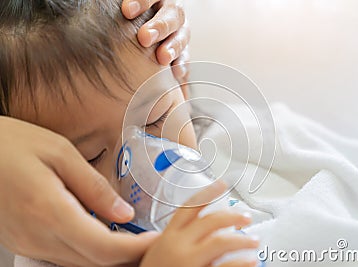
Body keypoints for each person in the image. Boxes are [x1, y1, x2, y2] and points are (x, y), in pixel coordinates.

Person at [0, 1, 259, 266]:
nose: (139, 165)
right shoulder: (52, 251)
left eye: (155, 119)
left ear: (181, 84)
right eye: (91, 157)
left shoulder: (249, 141)